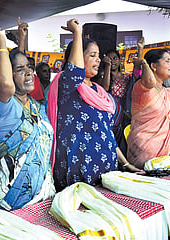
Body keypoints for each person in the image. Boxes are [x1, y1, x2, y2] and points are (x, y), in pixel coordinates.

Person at [47, 19, 139, 192]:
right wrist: (77, 34)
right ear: (76, 57)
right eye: (92, 55)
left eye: (98, 56)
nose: (98, 60)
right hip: (78, 171)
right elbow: (75, 72)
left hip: (106, 169)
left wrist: (125, 163)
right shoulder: (67, 85)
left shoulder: (99, 91)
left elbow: (107, 134)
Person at [0, 23, 55, 210]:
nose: (29, 72)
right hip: (9, 202)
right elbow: (6, 84)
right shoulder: (0, 104)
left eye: (29, 67)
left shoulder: (36, 106)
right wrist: (0, 40)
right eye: (20, 70)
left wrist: (20, 42)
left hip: (43, 197)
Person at [126, 48, 170, 169]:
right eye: (167, 61)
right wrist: (143, 63)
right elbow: (150, 81)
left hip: (164, 153)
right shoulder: (142, 87)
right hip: (143, 151)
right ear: (153, 65)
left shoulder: (168, 92)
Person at [101, 38, 144, 156]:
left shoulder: (127, 77)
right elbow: (105, 89)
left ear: (120, 60)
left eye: (115, 58)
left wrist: (140, 49)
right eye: (109, 59)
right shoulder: (104, 77)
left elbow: (137, 72)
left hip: (128, 114)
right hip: (114, 117)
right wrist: (107, 67)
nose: (112, 61)